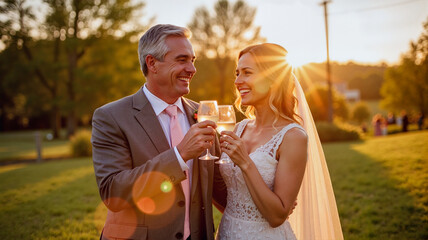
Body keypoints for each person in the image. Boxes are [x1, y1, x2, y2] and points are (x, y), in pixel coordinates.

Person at [91, 24, 227, 240]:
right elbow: (113, 192)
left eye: (193, 60)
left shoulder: (202, 113)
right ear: (152, 63)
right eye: (182, 60)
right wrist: (179, 155)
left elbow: (219, 189)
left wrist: (267, 199)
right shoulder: (111, 117)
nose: (192, 69)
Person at [215, 43, 343, 239]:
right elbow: (228, 193)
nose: (238, 81)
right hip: (227, 233)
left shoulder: (292, 137)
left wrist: (245, 162)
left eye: (247, 72)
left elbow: (277, 216)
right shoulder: (239, 128)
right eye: (237, 73)